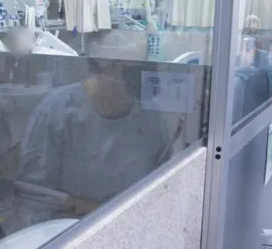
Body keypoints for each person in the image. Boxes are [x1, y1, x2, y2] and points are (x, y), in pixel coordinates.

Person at [19, 58, 174, 217]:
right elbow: (33, 194)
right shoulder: (58, 111)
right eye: (138, 61)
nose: (148, 69)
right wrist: (95, 211)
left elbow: (163, 187)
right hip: (65, 231)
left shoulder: (149, 118)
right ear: (108, 64)